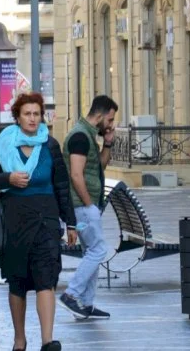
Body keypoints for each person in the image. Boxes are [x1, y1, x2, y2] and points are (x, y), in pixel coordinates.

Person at [0, 92, 76, 351]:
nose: (33, 119)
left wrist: (70, 223)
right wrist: (8, 179)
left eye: (37, 114)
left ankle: (48, 341)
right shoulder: (5, 143)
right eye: (28, 114)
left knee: (46, 278)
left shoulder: (50, 145)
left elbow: (61, 186)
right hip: (15, 221)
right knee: (18, 281)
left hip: (45, 221)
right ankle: (20, 339)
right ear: (18, 117)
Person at [59, 95, 119, 321]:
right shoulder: (79, 137)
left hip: (86, 204)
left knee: (91, 251)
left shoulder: (89, 136)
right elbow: (76, 174)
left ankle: (86, 303)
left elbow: (99, 168)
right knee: (98, 251)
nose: (111, 124)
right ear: (101, 115)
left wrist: (109, 143)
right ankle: (72, 295)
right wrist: (88, 204)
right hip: (81, 206)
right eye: (110, 119)